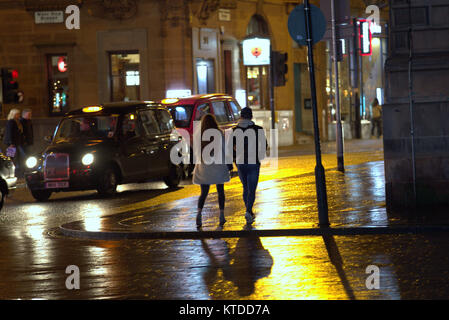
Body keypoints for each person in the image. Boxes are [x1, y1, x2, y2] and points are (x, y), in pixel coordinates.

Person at [228, 107, 267, 225]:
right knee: (252, 189)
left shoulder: (234, 130)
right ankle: (248, 211)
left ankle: (248, 211)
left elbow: (230, 148)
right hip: (253, 162)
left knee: (245, 188)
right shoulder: (258, 129)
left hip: (240, 163)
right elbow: (264, 145)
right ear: (251, 116)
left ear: (241, 116)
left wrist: (235, 157)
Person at [193, 114, 230, 228]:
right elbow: (224, 149)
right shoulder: (218, 133)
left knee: (204, 193)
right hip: (218, 166)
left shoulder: (199, 135)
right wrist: (228, 162)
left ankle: (199, 214)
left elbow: (196, 153)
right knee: (220, 191)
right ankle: (222, 215)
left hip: (205, 167)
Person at [3, 108, 26, 177]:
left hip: (17, 142)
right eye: (17, 114)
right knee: (10, 157)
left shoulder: (18, 121)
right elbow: (9, 133)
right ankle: (9, 171)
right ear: (13, 114)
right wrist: (11, 143)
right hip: (12, 143)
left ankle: (19, 171)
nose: (19, 115)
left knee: (18, 157)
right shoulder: (11, 122)